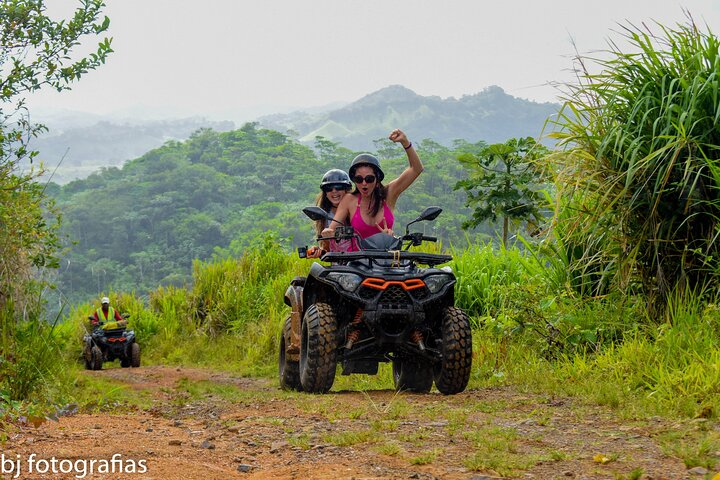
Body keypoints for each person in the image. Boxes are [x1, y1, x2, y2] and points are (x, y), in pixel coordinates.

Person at [322, 129, 423, 242]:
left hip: (384, 257)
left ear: (377, 179)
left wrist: (405, 143)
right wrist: (328, 232)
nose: (364, 183)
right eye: (359, 179)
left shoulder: (389, 194)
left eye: (369, 179)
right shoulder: (349, 200)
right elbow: (333, 227)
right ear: (354, 181)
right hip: (357, 258)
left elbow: (416, 169)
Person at [306, 169, 353, 258]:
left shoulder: (357, 209)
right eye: (329, 188)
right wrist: (319, 251)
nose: (334, 191)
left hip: (362, 260)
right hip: (339, 264)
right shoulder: (324, 215)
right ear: (325, 193)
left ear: (347, 189)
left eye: (339, 187)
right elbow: (328, 249)